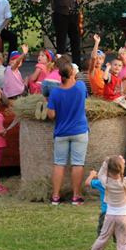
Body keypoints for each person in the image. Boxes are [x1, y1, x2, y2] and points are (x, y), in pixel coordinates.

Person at [32, 0, 108, 67]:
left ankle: (76, 65)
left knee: (76, 40)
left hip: (73, 15)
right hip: (60, 15)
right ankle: (61, 66)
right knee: (61, 42)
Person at [85, 151, 126, 250]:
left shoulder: (105, 182)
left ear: (108, 170)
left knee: (103, 236)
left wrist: (106, 162)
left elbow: (101, 173)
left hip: (110, 215)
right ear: (122, 169)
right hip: (124, 216)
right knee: (124, 240)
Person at [47, 56, 89, 205]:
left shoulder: (55, 93)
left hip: (61, 132)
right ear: (72, 73)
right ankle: (76, 196)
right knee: (77, 163)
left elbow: (51, 115)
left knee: (59, 164)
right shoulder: (80, 87)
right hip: (79, 131)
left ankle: (55, 197)